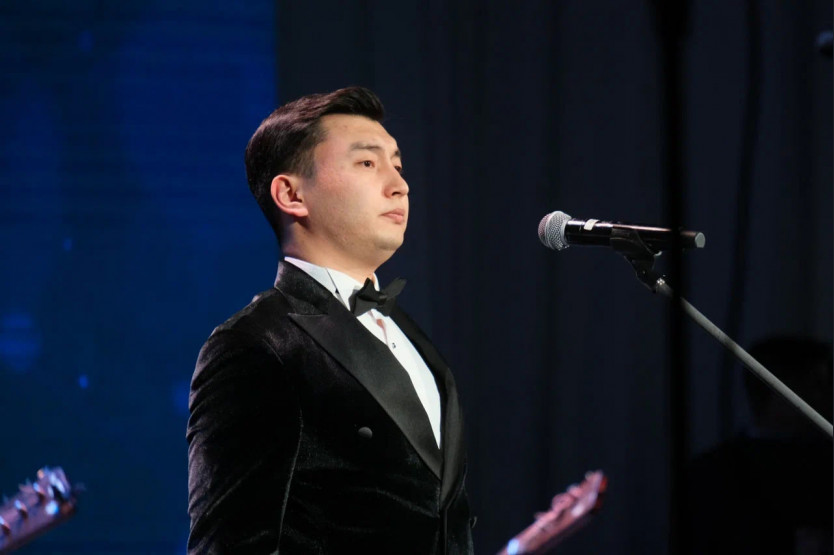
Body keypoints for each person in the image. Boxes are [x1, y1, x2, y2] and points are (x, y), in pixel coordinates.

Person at [186, 87, 474, 554]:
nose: (399, 184)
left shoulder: (410, 335)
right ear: (291, 194)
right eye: (367, 163)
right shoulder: (257, 344)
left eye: (398, 165)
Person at [688, 336, 833, 555]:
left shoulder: (826, 460)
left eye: (826, 385)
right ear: (773, 392)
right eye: (813, 385)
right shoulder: (715, 473)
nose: (825, 396)